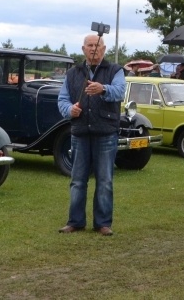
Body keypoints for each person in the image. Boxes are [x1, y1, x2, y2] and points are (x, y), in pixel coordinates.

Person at [57, 34, 126, 236]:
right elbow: (62, 99)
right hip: (80, 133)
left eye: (97, 45)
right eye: (90, 45)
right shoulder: (73, 73)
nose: (93, 48)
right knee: (77, 180)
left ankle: (103, 223)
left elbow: (120, 92)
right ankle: (75, 221)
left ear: (104, 49)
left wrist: (103, 89)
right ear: (83, 49)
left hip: (106, 133)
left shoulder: (115, 70)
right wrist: (70, 110)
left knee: (105, 180)